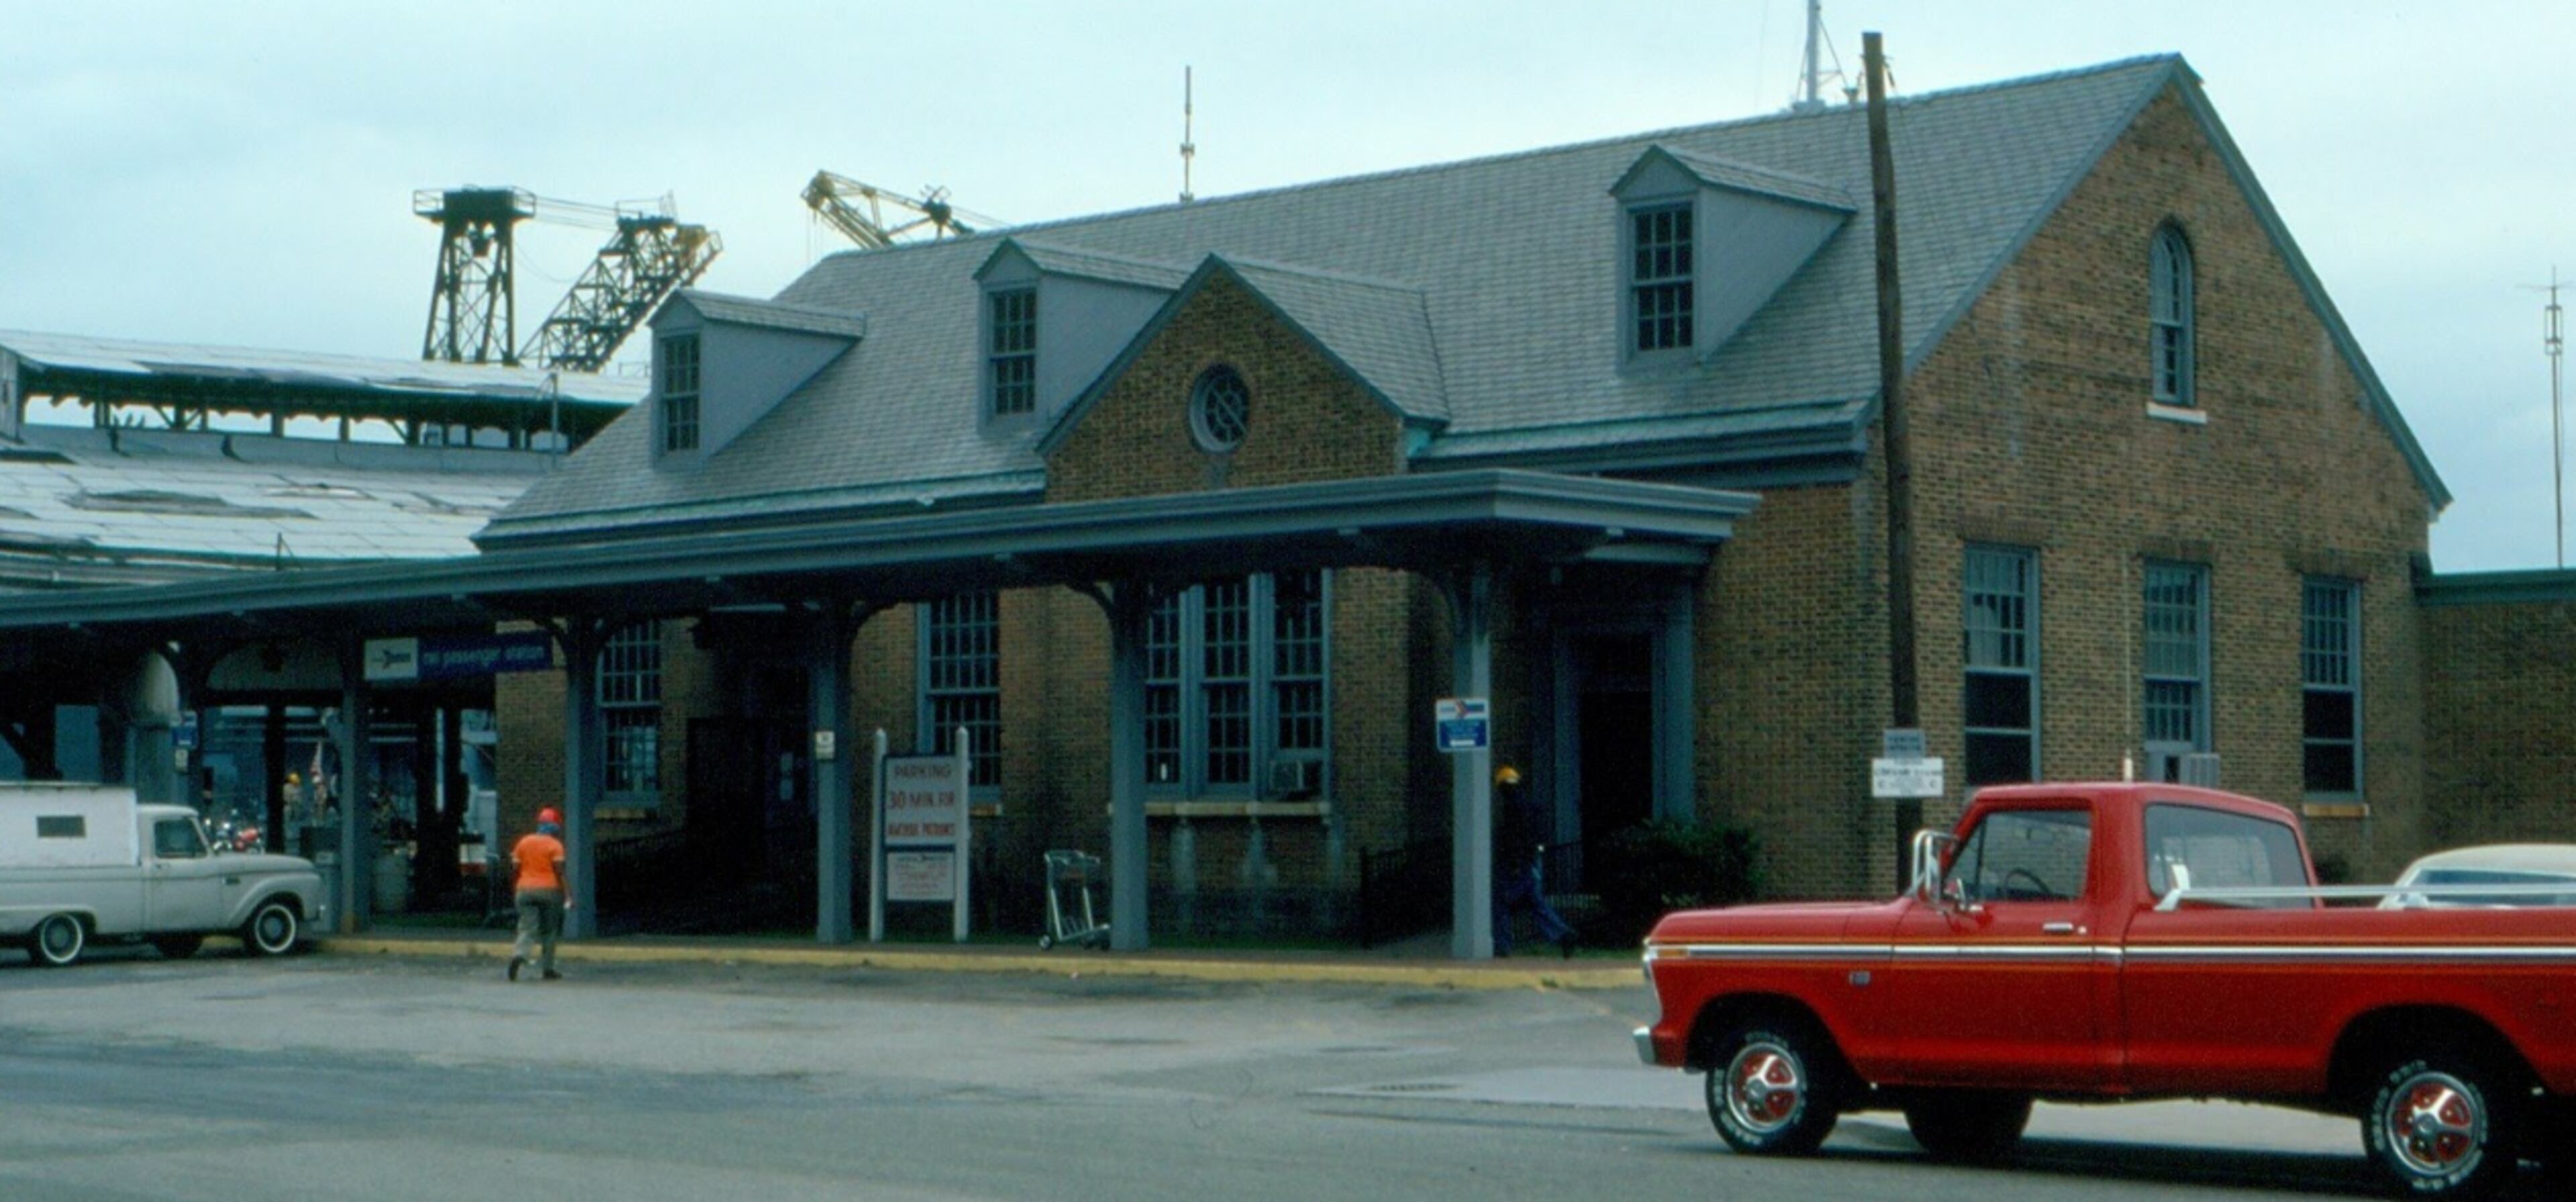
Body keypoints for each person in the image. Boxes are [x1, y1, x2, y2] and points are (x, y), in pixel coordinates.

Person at [1491, 765, 1576, 958]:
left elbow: (1514, 839)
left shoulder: (1512, 808)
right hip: (1532, 862)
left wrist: (1514, 865)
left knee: (1500, 902)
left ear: (1502, 787)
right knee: (1536, 902)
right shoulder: (1530, 805)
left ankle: (1502, 947)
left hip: (1518, 864)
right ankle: (1564, 935)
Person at [507, 806, 572, 981]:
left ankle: (520, 954)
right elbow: (559, 872)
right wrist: (567, 895)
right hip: (548, 891)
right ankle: (548, 969)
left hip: (524, 890)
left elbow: (515, 868)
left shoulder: (524, 842)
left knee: (527, 927)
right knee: (549, 931)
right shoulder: (555, 845)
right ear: (555, 827)